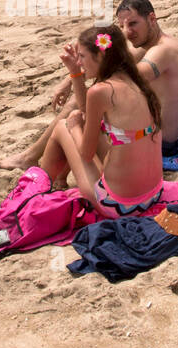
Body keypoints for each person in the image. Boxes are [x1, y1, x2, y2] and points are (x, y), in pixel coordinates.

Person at [0, 0, 178, 171]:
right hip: (170, 138)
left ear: (152, 18)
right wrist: (69, 81)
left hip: (167, 144)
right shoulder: (150, 45)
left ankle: (30, 158)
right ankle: (49, 170)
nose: (127, 32)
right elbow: (114, 63)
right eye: (122, 27)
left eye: (133, 23)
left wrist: (77, 77)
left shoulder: (163, 50)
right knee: (85, 104)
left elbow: (128, 77)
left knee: (80, 108)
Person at [36, 25, 163, 217]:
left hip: (118, 205)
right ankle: (56, 181)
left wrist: (74, 127)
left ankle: (37, 191)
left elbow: (86, 154)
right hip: (152, 195)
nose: (79, 62)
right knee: (86, 124)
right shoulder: (135, 81)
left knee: (63, 126)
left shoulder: (101, 91)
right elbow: (89, 112)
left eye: (82, 57)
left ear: (101, 56)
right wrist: (75, 72)